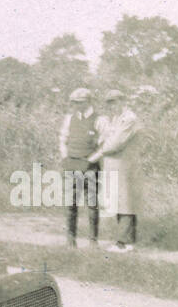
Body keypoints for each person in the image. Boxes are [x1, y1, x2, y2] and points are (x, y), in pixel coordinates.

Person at [91, 89, 143, 252]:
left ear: (122, 101)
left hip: (124, 164)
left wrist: (97, 154)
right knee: (121, 201)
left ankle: (122, 242)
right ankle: (128, 242)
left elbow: (115, 143)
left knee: (125, 202)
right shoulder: (115, 119)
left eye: (115, 102)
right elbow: (104, 136)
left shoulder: (129, 119)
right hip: (115, 165)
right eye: (109, 103)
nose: (112, 106)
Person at [58, 87, 101, 247]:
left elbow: (104, 145)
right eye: (74, 103)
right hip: (72, 164)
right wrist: (65, 157)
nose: (76, 105)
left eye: (80, 102)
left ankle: (93, 241)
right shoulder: (69, 118)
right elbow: (63, 138)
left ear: (89, 102)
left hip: (90, 165)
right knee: (71, 202)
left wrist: (90, 160)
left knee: (92, 203)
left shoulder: (99, 120)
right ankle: (71, 240)